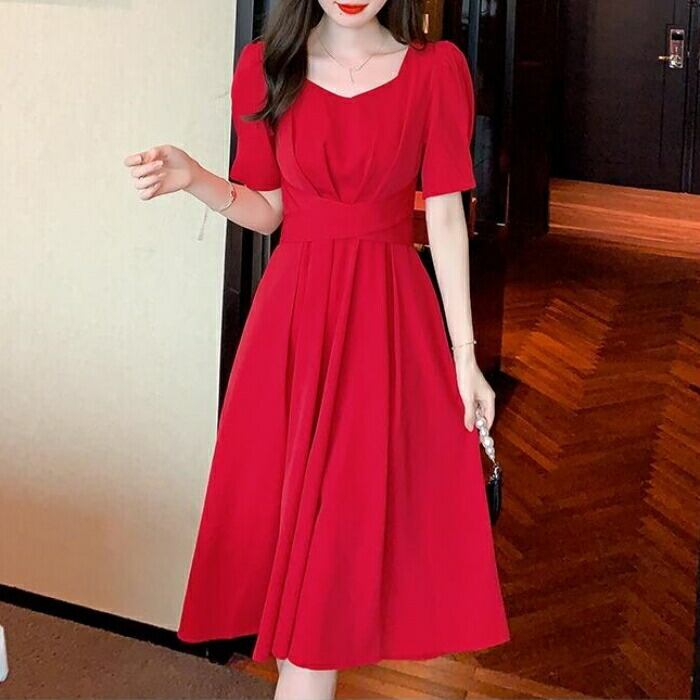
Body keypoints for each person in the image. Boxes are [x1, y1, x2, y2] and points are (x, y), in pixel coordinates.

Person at [124, 0, 510, 697]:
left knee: (338, 546)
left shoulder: (435, 71)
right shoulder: (266, 68)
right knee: (298, 551)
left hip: (389, 328)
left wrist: (465, 354)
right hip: (293, 329)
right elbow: (270, 210)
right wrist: (195, 179)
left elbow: (447, 215)